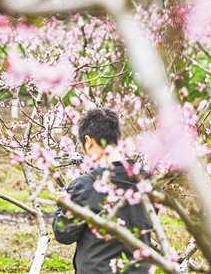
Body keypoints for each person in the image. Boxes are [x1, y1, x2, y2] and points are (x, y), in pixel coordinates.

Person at [52, 108, 152, 274]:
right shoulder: (147, 181)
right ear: (118, 138)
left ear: (88, 141)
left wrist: (63, 207)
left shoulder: (84, 186)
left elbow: (64, 234)